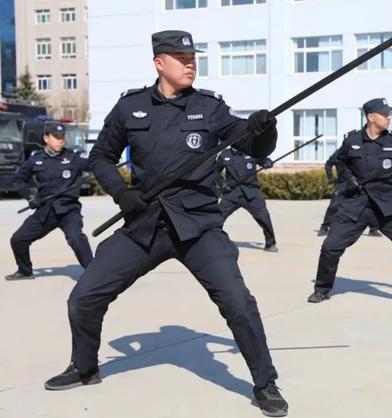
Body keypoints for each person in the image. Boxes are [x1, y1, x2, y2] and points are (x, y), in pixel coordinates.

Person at [44, 30, 288, 417]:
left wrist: (264, 128)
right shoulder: (131, 107)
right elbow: (101, 158)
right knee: (84, 298)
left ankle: (265, 383)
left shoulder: (210, 108)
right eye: (180, 58)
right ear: (159, 63)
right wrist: (122, 195)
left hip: (199, 226)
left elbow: (252, 145)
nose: (190, 63)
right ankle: (85, 366)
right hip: (146, 223)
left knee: (239, 303)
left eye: (193, 58)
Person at [307, 98, 392, 309]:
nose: (389, 117)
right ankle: (322, 289)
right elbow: (340, 162)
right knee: (330, 247)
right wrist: (348, 178)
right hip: (356, 205)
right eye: (385, 114)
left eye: (389, 114)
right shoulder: (352, 140)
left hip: (387, 207)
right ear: (371, 117)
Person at [6, 122, 93, 280]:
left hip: (68, 210)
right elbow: (18, 179)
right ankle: (25, 271)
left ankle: (94, 274)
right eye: (56, 137)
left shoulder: (74, 158)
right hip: (45, 211)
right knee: (18, 239)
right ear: (46, 138)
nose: (60, 140)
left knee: (76, 238)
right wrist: (30, 196)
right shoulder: (36, 160)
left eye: (62, 137)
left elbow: (96, 164)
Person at [215, 148, 278, 252]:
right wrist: (222, 184)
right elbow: (215, 172)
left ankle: (270, 243)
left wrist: (267, 162)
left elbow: (263, 160)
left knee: (264, 217)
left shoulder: (251, 151)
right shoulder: (224, 154)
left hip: (251, 193)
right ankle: (213, 242)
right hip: (232, 193)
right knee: (217, 218)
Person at [317, 149, 382, 237]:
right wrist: (331, 178)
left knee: (368, 205)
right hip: (342, 183)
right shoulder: (339, 152)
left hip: (359, 182)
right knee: (334, 206)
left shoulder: (361, 151)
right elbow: (328, 164)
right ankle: (324, 228)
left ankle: (373, 229)